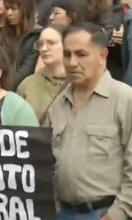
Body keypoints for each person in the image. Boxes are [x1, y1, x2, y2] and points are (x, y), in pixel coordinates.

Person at [46, 22, 132, 220]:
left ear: (102, 56)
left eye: (81, 54)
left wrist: (115, 215)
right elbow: (46, 162)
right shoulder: (58, 104)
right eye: (67, 54)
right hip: (63, 213)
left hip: (107, 212)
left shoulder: (125, 99)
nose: (72, 62)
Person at [17, 24, 66, 121]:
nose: (44, 49)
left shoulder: (80, 83)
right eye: (40, 44)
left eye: (51, 43)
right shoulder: (28, 84)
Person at [1, 0, 42, 89]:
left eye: (14, 9)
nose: (9, 13)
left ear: (25, 10)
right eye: (7, 9)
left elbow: (26, 70)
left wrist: (3, 86)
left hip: (23, 90)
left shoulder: (36, 36)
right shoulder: (5, 35)